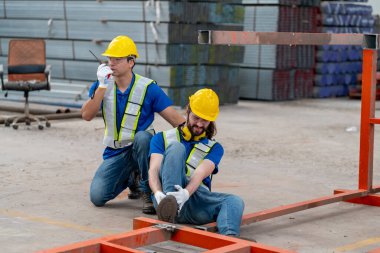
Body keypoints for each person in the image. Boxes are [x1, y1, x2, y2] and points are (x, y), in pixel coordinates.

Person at [81, 35, 185, 214]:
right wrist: (101, 86)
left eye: (117, 59)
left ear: (131, 62)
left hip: (142, 148)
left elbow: (177, 121)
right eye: (109, 59)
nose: (111, 63)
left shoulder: (148, 88)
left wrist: (200, 137)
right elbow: (87, 115)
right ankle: (132, 178)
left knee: (143, 137)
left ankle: (146, 188)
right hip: (116, 153)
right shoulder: (102, 85)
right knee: (97, 197)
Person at [148, 88, 244, 236]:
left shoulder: (215, 148)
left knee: (234, 201)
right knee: (176, 148)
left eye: (204, 120)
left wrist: (186, 193)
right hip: (165, 201)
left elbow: (200, 174)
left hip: (195, 200)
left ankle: (231, 239)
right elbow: (154, 169)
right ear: (188, 111)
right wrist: (158, 193)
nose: (199, 124)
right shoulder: (162, 138)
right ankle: (170, 208)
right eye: (196, 118)